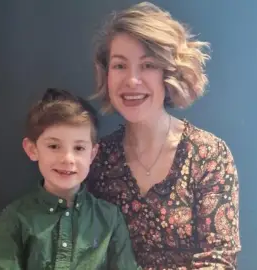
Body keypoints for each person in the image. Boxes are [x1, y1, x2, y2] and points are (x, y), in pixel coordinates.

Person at [87, 2, 241, 269]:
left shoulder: (208, 155)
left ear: (169, 74)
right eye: (120, 66)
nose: (132, 80)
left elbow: (219, 261)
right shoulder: (98, 160)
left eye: (147, 65)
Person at [0, 88, 140, 270]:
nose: (68, 158)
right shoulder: (15, 217)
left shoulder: (109, 218)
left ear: (92, 154)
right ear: (32, 149)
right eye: (54, 146)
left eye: (79, 148)